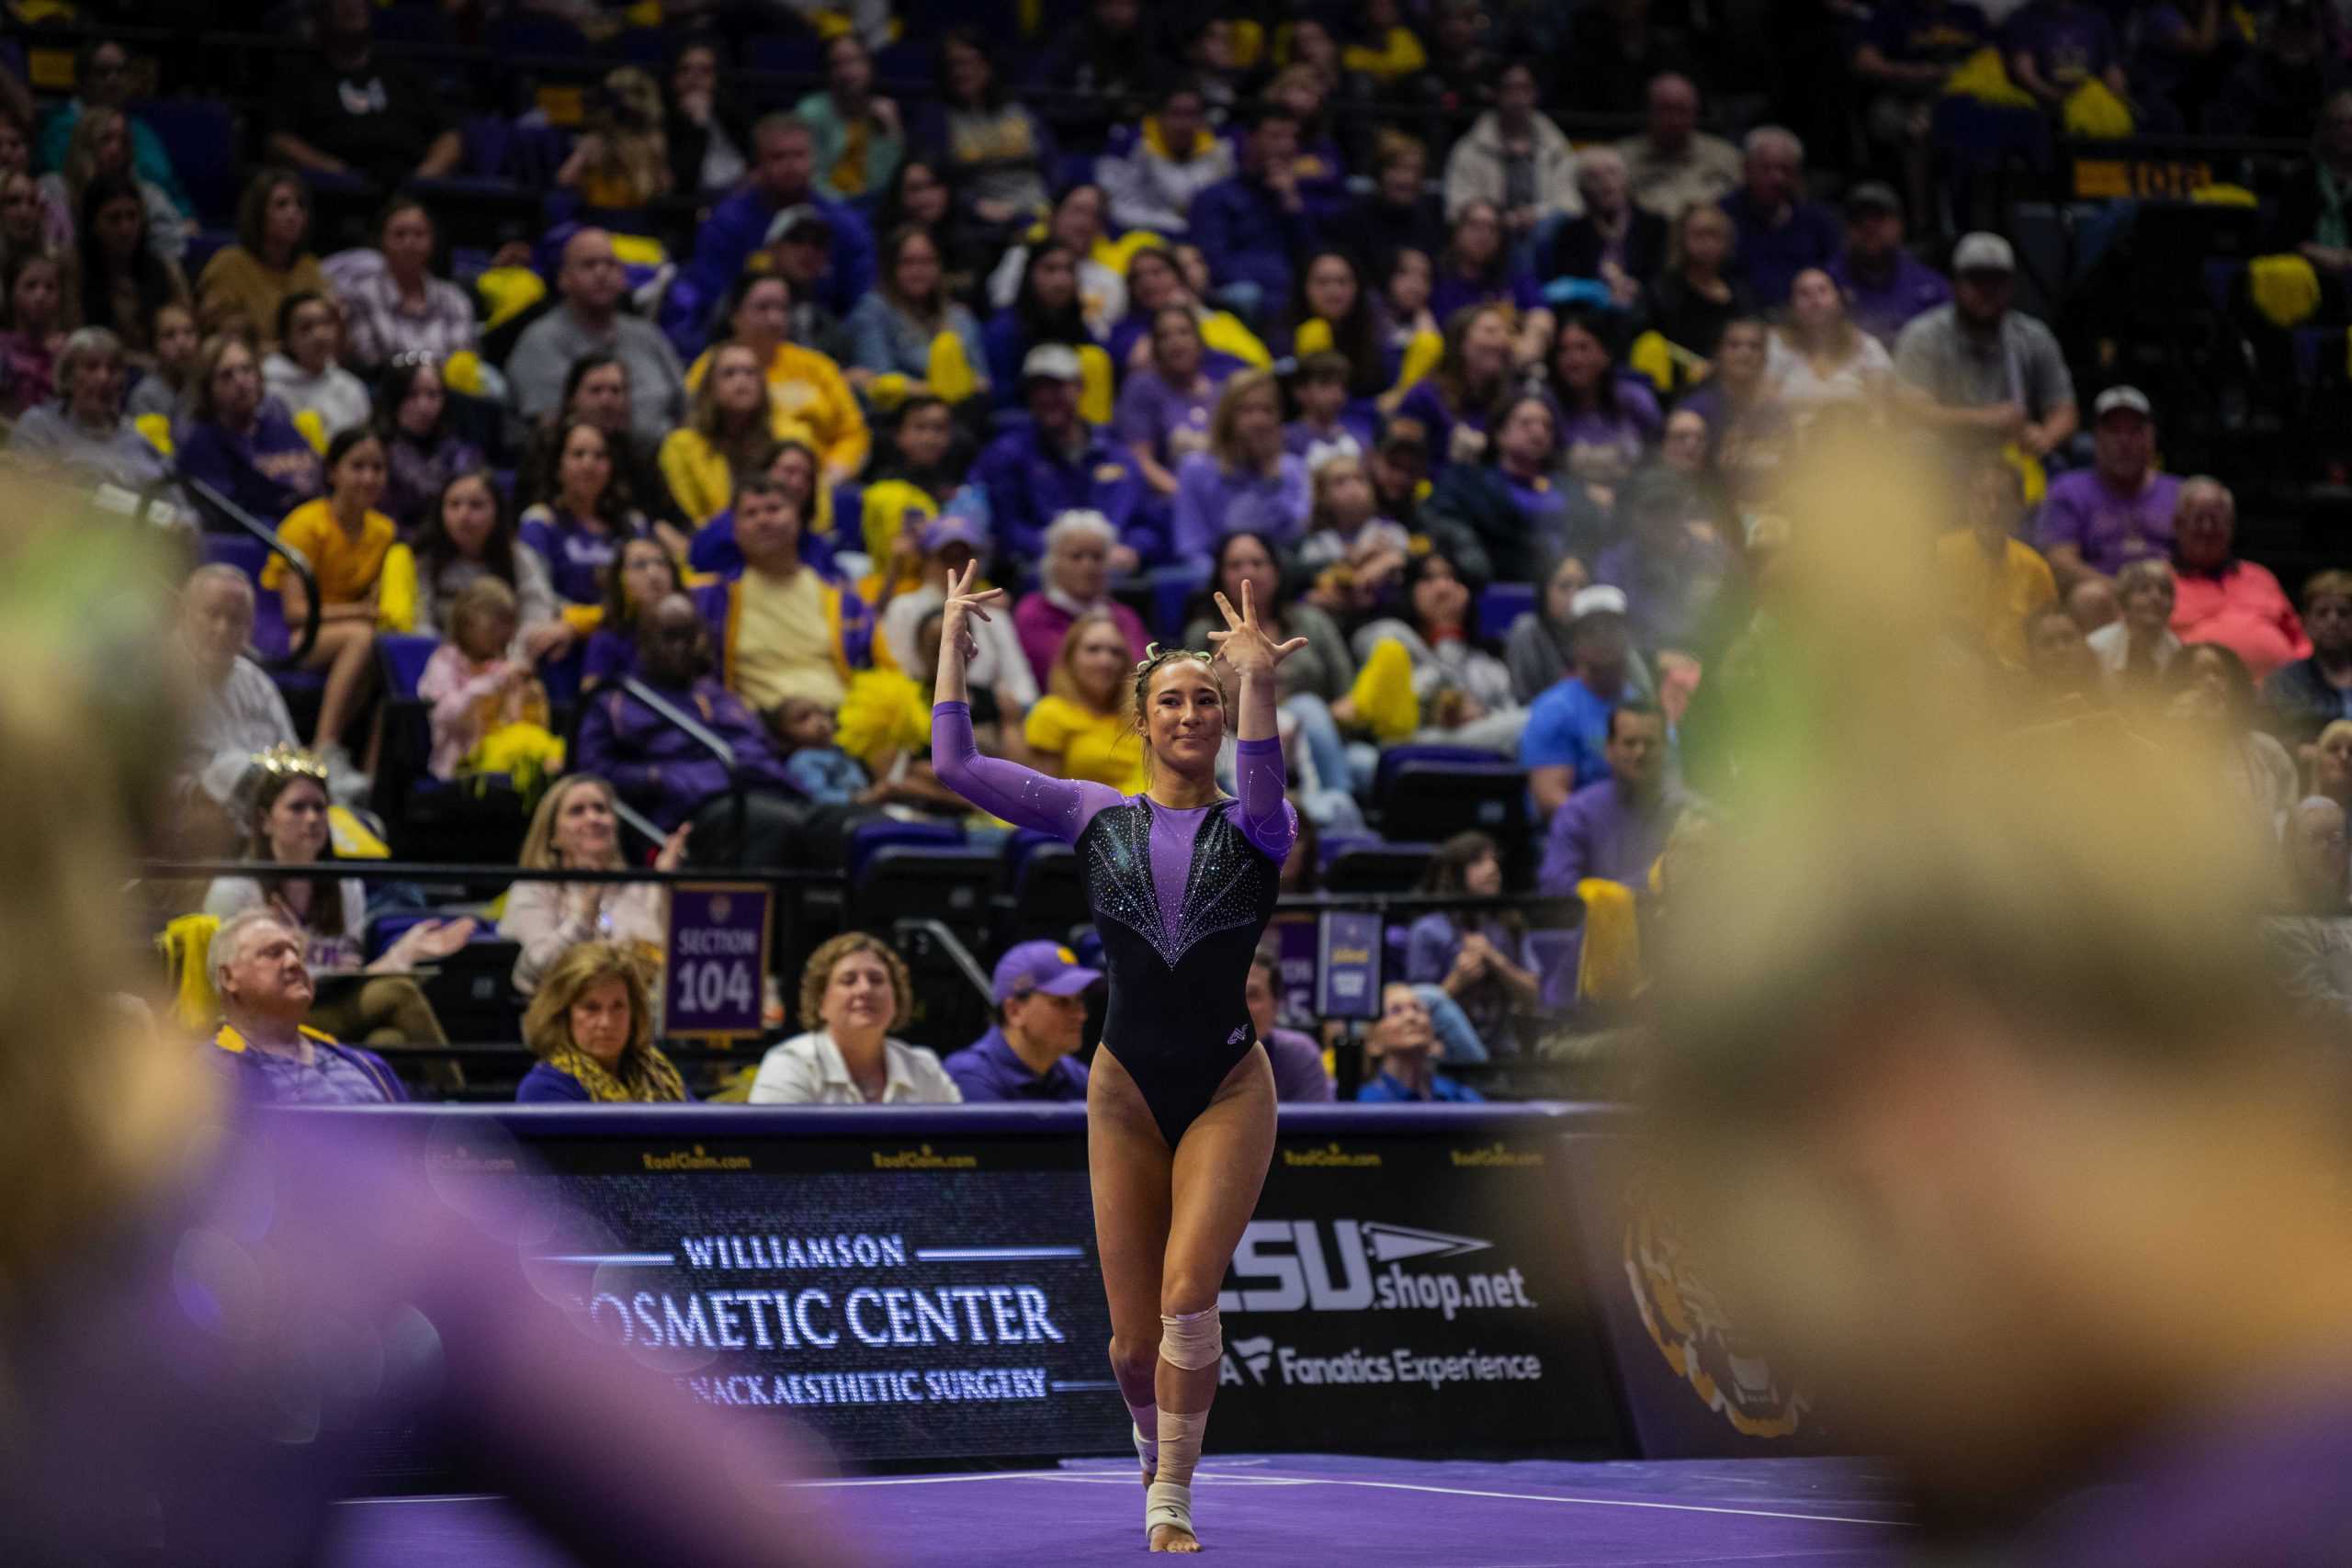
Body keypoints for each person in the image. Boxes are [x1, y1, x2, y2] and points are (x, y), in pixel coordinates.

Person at [933, 563, 1299, 1552]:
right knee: (1133, 1348)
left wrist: (1256, 679)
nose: (1191, 714)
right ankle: (1151, 1440)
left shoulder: (1259, 827)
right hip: (1125, 1090)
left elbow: (1265, 768)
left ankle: (1169, 1497)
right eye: (1173, 700)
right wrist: (950, 656)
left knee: (1189, 1294)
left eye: (1207, 701)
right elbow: (956, 769)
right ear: (1141, 721)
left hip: (1227, 1083)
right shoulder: (1092, 815)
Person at [204, 756, 469, 1043]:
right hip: (266, 1016)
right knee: (399, 991)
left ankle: (444, 1088)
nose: (312, 818)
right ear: (265, 820)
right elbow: (223, 984)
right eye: (298, 807)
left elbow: (348, 969)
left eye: (320, 807)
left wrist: (402, 955)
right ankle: (461, 1089)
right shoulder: (234, 889)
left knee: (388, 1043)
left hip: (329, 1006)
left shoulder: (346, 884)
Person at [572, 592, 806, 835]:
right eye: (670, 637)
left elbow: (762, 751)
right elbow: (594, 774)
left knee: (838, 825)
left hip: (762, 791)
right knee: (779, 823)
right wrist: (658, 777)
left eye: (690, 636)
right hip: (689, 814)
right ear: (643, 642)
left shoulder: (721, 696)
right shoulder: (616, 702)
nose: (682, 647)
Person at [671, 113, 875, 351]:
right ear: (759, 163)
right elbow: (715, 301)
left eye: (799, 155)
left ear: (814, 159)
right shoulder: (726, 223)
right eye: (778, 157)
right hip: (742, 343)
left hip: (827, 344)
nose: (790, 166)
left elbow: (860, 303)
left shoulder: (844, 224)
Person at [1182, 531, 1357, 801]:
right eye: (1235, 565)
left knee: (1314, 714)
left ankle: (1335, 805)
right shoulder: (1204, 634)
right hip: (1235, 736)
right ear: (1220, 576)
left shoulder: (1311, 622)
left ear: (1276, 571)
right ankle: (1247, 813)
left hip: (1315, 735)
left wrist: (1301, 724)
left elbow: (1348, 695)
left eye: (1258, 562)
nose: (1248, 572)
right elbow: (1191, 707)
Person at [266, 427, 398, 766]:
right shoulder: (305, 525)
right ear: (332, 472)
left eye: (378, 468)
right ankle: (324, 748)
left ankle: (373, 774)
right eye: (358, 467)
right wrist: (360, 612)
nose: (369, 478)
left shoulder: (384, 531)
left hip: (353, 636)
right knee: (363, 637)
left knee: (387, 654)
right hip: (297, 637)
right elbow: (294, 612)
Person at [697, 476, 876, 715]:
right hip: (761, 735)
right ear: (735, 530)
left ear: (798, 519)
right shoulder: (713, 598)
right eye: (750, 514)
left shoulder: (842, 597)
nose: (763, 520)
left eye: (773, 509)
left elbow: (880, 664)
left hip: (843, 721)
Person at [1893, 231, 2078, 460]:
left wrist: (2046, 436)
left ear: (2011, 286)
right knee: (1917, 446)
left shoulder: (2033, 336)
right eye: (1977, 280)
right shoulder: (1923, 335)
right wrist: (1985, 420)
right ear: (1956, 284)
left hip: (2011, 458)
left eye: (1997, 281)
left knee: (2056, 462)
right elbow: (1912, 413)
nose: (1987, 291)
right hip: (1944, 456)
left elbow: (2064, 409)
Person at [501, 773, 682, 997]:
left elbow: (674, 960)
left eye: (601, 809)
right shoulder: (532, 889)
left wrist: (667, 885)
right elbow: (541, 968)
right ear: (552, 835)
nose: (593, 818)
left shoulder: (641, 887)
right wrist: (585, 913)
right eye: (577, 811)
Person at [686, 272, 868, 486]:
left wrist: (832, 474)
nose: (774, 318)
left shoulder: (817, 366)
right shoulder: (713, 365)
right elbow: (697, 427)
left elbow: (852, 431)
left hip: (821, 480)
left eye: (782, 308)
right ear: (735, 316)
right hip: (742, 482)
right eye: (762, 308)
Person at [509, 229, 687, 446]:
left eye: (610, 264)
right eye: (589, 265)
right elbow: (550, 429)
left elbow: (686, 405)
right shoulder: (540, 342)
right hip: (589, 466)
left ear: (623, 277)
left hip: (665, 464)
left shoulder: (647, 334)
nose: (601, 273)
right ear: (563, 279)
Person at [209, 908, 407, 1104]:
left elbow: (412, 1134)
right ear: (228, 978)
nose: (294, 962)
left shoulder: (367, 1064)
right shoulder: (210, 1075)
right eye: (274, 953)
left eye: (297, 953)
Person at [978, 344, 1153, 563]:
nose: (1046, 397)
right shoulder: (1009, 455)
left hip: (1115, 571)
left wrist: (1133, 549)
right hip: (1044, 573)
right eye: (1036, 389)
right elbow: (1008, 528)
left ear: (1080, 387)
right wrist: (1070, 551)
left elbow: (1146, 522)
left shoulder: (1115, 454)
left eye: (1056, 387)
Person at [750, 932, 962, 1104]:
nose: (865, 989)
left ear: (896, 998)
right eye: (848, 980)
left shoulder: (923, 1068)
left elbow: (962, 1147)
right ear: (820, 1002)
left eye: (876, 979)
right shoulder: (791, 1065)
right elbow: (777, 1154)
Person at [267, 0, 460, 187]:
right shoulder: (302, 76)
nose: (353, 4)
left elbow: (450, 136)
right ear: (323, 11)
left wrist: (421, 179)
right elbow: (278, 140)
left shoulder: (403, 72)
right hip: (335, 192)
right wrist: (333, 172)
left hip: (407, 188)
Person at [878, 514, 1037, 718]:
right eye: (947, 558)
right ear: (927, 560)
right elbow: (902, 670)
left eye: (965, 557)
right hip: (924, 710)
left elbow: (1020, 683)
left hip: (989, 713)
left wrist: (1013, 706)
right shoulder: (903, 608)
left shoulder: (994, 613)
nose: (957, 567)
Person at [1406, 830, 1543, 1061]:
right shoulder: (1427, 931)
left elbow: (1532, 996)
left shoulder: (1510, 923)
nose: (1492, 869)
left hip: (1505, 1052)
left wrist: (1496, 961)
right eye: (1478, 861)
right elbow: (1415, 1013)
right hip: (1446, 1052)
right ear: (1454, 872)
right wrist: (1458, 979)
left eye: (1494, 861)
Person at [175, 566, 298, 817]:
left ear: (250, 628)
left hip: (261, 829)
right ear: (184, 614)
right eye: (212, 614)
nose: (223, 629)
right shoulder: (154, 681)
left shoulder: (259, 685)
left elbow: (292, 765)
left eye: (236, 619)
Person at [2037, 385, 2180, 592]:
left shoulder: (2180, 494)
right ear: (2096, 437)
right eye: (2114, 430)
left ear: (2151, 437)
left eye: (2134, 431)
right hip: (2100, 606)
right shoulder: (2067, 491)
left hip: (2170, 599)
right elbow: (2060, 564)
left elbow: (2201, 562)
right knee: (2089, 598)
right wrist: (2122, 594)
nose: (2124, 441)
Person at [415, 579, 560, 782]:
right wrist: (491, 683)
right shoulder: (444, 661)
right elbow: (444, 715)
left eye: (508, 625)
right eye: (495, 626)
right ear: (467, 622)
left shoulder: (508, 665)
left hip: (508, 761)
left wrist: (525, 691)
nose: (503, 634)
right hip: (458, 766)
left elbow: (518, 722)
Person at [8, 325, 176, 498]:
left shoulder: (137, 436)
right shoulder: (39, 426)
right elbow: (24, 494)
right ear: (68, 375)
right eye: (91, 367)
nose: (103, 378)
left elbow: (173, 496)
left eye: (113, 369)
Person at [2168, 477, 2311, 680]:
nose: (2207, 529)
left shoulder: (2261, 576)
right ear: (2177, 525)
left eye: (2216, 520)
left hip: (2281, 696)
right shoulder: (2160, 583)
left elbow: (2300, 640)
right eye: (2199, 519)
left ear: (2231, 526)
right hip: (2201, 695)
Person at [918, 32, 1055, 242]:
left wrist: (1051, 201)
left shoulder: (1018, 109)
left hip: (1037, 208)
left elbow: (1051, 162)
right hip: (979, 218)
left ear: (988, 64)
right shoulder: (938, 118)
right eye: (954, 64)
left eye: (970, 62)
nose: (962, 71)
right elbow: (936, 178)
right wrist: (973, 205)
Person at [1537, 702, 1684, 897]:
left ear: (1666, 748)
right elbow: (1556, 888)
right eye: (1629, 743)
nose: (1640, 752)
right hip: (1592, 926)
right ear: (1609, 749)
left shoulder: (1691, 814)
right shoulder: (1577, 814)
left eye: (1650, 743)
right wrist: (1636, 889)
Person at [1521, 585, 1642, 820]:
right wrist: (1615, 823)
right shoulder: (1554, 710)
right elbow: (1549, 798)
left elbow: (1667, 784)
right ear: (1574, 641)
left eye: (1611, 627)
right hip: (1577, 842)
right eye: (1590, 630)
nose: (1602, 637)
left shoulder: (1643, 706)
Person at [1188, 102, 1315, 323]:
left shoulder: (1296, 198)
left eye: (1292, 137)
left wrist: (1292, 205)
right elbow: (1215, 265)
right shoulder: (1216, 197)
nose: (1286, 146)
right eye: (1275, 136)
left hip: (1293, 294)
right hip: (1248, 300)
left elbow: (1311, 258)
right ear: (1250, 140)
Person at [517, 941, 691, 1102]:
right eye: (591, 1008)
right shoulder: (544, 1089)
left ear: (634, 1011)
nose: (606, 1022)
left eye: (618, 1006)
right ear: (562, 1014)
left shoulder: (658, 1072)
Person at [176, 333, 324, 523]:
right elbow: (231, 519)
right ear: (208, 388)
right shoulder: (202, 445)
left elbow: (318, 483)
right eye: (226, 375)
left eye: (247, 369)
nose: (241, 381)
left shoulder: (279, 427)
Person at [1172, 369, 1311, 570]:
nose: (1258, 420)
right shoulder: (1196, 469)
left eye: (1267, 410)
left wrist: (1271, 478)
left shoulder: (1292, 469)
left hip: (1278, 580)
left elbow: (1294, 539)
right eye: (1246, 410)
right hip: (1214, 582)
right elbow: (1191, 546)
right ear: (1227, 418)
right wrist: (1230, 581)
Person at [37, 37, 189, 215]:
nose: (113, 79)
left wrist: (186, 217)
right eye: (103, 72)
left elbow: (171, 187)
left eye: (121, 71)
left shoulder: (142, 130)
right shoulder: (60, 128)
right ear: (82, 80)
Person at [330, 196, 479, 372]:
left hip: (446, 394)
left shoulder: (454, 298)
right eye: (400, 235)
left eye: (419, 234)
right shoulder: (360, 296)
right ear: (382, 241)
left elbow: (463, 360)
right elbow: (369, 359)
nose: (410, 243)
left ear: (432, 241)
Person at [944, 940, 1102, 1102]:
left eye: (1079, 1000)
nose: (1081, 1015)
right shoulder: (970, 1077)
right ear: (1014, 1011)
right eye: (1062, 1002)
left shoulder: (1072, 1073)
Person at [1442, 61, 1582, 243]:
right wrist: (1499, 220)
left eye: (1525, 88)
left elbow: (1572, 201)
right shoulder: (1469, 148)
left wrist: (1537, 214)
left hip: (1544, 235)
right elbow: (1456, 207)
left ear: (1535, 94)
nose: (1518, 96)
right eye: (1510, 88)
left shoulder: (1555, 145)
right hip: (1491, 237)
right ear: (1495, 93)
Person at [1937, 460, 2058, 671]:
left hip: (2016, 682)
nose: (1992, 509)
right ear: (1968, 502)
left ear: (2020, 507)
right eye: (1982, 498)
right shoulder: (1938, 556)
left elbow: (2043, 643)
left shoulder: (2036, 568)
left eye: (2002, 499)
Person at [518, 417, 652, 608]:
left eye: (600, 456)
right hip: (560, 629)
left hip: (624, 631)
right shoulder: (539, 522)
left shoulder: (633, 523)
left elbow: (650, 588)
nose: (589, 464)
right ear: (558, 466)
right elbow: (537, 598)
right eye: (578, 454)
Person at [843, 225, 988, 400]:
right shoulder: (873, 312)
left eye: (927, 261)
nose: (919, 271)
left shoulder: (959, 316)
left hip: (960, 419)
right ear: (890, 268)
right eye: (908, 262)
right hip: (895, 420)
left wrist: (919, 388)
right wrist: (949, 390)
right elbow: (881, 384)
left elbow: (982, 383)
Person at [195, 168, 331, 347]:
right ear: (258, 213)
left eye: (300, 205)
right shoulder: (229, 264)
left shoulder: (309, 266)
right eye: (281, 205)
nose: (293, 214)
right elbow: (222, 339)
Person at [1014, 509, 1151, 684]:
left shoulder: (1124, 616)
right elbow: (1062, 674)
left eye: (1097, 557)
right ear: (1053, 562)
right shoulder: (1034, 613)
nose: (1088, 566)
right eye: (1076, 556)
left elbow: (1146, 673)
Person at [38, 107, 186, 265]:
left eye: (123, 141)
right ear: (84, 145)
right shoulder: (55, 188)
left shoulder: (148, 195)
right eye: (106, 139)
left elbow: (171, 252)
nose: (116, 149)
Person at [1025, 612, 1151, 793]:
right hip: (1082, 818)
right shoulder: (1050, 713)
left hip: (1147, 813)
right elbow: (1044, 797)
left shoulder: (1139, 714)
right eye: (1093, 650)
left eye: (1116, 652)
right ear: (1070, 658)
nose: (1105, 661)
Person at [984, 184, 1128, 342]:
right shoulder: (1021, 257)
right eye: (1077, 211)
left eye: (1095, 215)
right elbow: (1004, 312)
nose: (1085, 222)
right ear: (1053, 215)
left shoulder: (1110, 280)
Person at [1717, 127, 1840, 309]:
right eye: (1766, 168)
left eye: (1785, 169)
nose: (1777, 178)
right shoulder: (1723, 217)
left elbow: (1834, 277)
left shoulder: (1819, 220)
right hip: (1743, 321)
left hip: (1806, 319)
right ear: (1746, 170)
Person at [75, 172, 190, 360]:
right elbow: (77, 341)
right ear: (92, 224)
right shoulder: (77, 272)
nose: (125, 228)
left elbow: (186, 329)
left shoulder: (165, 270)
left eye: (132, 216)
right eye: (114, 218)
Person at [1547, 310, 1663, 496]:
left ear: (1605, 354)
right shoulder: (1550, 407)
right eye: (1563, 350)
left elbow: (1659, 458)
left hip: (1635, 503)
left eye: (1583, 348)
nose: (1572, 359)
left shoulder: (1636, 400)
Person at [1116, 306, 1227, 500]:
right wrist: (1186, 497)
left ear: (1199, 341)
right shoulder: (1142, 387)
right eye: (1164, 336)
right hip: (1167, 500)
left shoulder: (1221, 391)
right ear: (1156, 347)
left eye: (1184, 332)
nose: (1175, 342)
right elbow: (1140, 460)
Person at [1765, 266, 1894, 430]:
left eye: (1822, 290)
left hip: (1852, 445)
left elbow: (1879, 416)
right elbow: (1764, 409)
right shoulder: (1775, 345)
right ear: (1792, 305)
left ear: (1839, 300)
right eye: (1804, 293)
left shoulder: (1868, 347)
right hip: (1789, 444)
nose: (1814, 299)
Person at [1100, 80, 1234, 238]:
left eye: (1191, 114)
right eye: (1175, 113)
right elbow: (1112, 205)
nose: (1183, 124)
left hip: (1198, 239)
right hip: (1137, 234)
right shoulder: (1128, 144)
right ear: (1159, 116)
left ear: (1202, 119)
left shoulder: (1220, 149)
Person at [660, 340, 772, 526]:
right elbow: (691, 517)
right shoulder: (681, 446)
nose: (741, 381)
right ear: (709, 387)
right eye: (729, 373)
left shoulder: (789, 437)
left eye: (750, 373)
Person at [1826, 181, 1951, 345]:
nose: (1868, 226)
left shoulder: (1931, 287)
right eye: (1858, 219)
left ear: (1900, 225)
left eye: (1879, 217)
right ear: (1846, 229)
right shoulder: (1826, 283)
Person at [1539, 147, 1667, 308]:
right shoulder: (1570, 233)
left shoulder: (1654, 226)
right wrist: (1599, 291)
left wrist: (1637, 288)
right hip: (1589, 316)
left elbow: (1662, 281)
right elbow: (1565, 288)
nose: (1606, 183)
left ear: (1626, 180)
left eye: (1612, 173)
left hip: (1645, 312)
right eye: (1594, 177)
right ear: (1582, 189)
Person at [1395, 302, 1514, 471]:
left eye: (1506, 332)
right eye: (1490, 331)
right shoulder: (1424, 396)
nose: (1502, 340)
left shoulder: (1507, 400)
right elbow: (1400, 465)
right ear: (1461, 342)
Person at [376, 355, 484, 532]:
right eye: (412, 395)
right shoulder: (377, 453)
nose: (423, 406)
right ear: (394, 398)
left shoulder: (463, 453)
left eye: (432, 394)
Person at [1615, 73, 1744, 220]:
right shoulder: (1620, 159)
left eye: (1682, 110)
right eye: (1666, 109)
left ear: (1695, 112)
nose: (1674, 119)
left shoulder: (1727, 157)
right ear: (1649, 111)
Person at [796, 35, 903, 204]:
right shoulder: (811, 111)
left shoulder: (884, 111)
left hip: (874, 204)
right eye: (836, 64)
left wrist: (892, 131)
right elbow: (811, 176)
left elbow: (890, 178)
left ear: (870, 66)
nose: (846, 72)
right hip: (826, 204)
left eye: (854, 61)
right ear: (827, 72)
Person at [1644, 202, 1752, 362]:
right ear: (1682, 239)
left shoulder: (1740, 291)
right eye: (1698, 234)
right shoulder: (1664, 292)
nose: (1707, 243)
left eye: (1714, 234)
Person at [556, 66, 672, 211]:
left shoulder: (654, 141)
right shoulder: (596, 141)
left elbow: (665, 186)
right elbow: (565, 179)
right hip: (598, 220)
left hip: (639, 220)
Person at [261, 291, 370, 437]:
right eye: (306, 327)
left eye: (326, 323)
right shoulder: (271, 392)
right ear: (286, 339)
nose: (319, 335)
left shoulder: (350, 386)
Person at [1355, 982, 1485, 1102]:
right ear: (1373, 1043)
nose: (1411, 1017)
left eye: (1417, 1008)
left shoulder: (1458, 1096)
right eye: (1396, 1011)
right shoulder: (1365, 1104)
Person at [2264, 570, 2352, 744]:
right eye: (2322, 613)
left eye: (2343, 613)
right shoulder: (2285, 682)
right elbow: (2275, 745)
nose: (2333, 621)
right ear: (2305, 622)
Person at [583, 535, 683, 688]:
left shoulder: (692, 633)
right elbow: (592, 701)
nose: (654, 573)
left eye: (662, 563)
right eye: (639, 565)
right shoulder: (607, 640)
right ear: (620, 580)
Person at [662, 39, 754, 197]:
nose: (694, 77)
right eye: (685, 70)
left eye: (705, 70)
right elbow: (685, 181)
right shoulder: (662, 118)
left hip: (740, 196)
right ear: (674, 78)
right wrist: (698, 125)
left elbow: (755, 161)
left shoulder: (734, 110)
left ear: (716, 77)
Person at [1242, 948, 1337, 1100]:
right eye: (1230, 995)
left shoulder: (1300, 1055)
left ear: (1276, 1004)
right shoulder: (1196, 1054)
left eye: (1252, 995)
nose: (1240, 1008)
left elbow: (1318, 1122)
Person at [1504, 556, 1599, 705]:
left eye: (1582, 587)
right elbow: (1524, 700)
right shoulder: (1528, 631)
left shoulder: (1597, 633)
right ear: (1544, 591)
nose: (1574, 595)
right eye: (1564, 586)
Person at [2087, 557, 2185, 686]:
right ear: (2123, 600)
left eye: (2164, 591)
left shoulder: (2178, 652)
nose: (2156, 597)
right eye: (2143, 590)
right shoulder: (2096, 647)